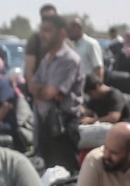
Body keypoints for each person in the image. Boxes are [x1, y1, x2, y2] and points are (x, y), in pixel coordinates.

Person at [32, 14, 84, 171]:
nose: (43, 34)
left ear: (61, 33)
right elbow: (32, 86)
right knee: (48, 175)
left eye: (47, 30)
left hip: (63, 125)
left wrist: (44, 90)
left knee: (66, 175)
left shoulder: (69, 59)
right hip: (45, 123)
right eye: (41, 30)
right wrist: (44, 90)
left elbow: (48, 92)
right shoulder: (46, 58)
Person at [24, 3, 59, 85]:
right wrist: (33, 89)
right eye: (45, 17)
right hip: (41, 85)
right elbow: (29, 68)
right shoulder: (35, 40)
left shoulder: (63, 38)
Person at [66, 17, 105, 83]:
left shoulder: (90, 44)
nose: (67, 34)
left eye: (69, 31)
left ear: (77, 29)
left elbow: (99, 68)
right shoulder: (73, 46)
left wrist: (98, 89)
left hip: (89, 87)